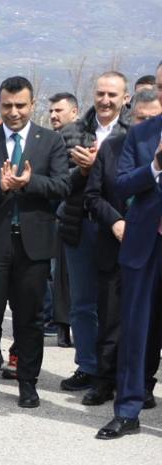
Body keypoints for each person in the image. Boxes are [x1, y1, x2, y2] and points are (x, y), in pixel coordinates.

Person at [0, 76, 72, 410]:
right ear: (0, 104)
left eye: (20, 105)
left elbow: (63, 186)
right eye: (7, 105)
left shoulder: (50, 141)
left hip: (34, 246)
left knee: (30, 318)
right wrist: (0, 187)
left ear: (32, 104)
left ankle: (27, 382)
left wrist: (28, 183)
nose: (13, 112)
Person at [83, 90, 162, 408]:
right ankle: (128, 408)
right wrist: (155, 166)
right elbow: (122, 184)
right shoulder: (142, 135)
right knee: (134, 329)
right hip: (147, 244)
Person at [55, 71, 132, 395]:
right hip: (80, 224)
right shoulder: (73, 132)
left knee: (116, 306)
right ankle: (87, 365)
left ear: (125, 98)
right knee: (82, 303)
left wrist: (103, 166)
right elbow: (58, 181)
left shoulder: (135, 132)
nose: (105, 100)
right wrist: (82, 171)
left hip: (117, 226)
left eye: (112, 95)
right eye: (100, 93)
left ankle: (116, 370)